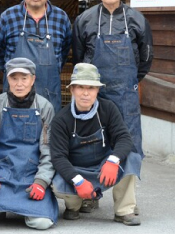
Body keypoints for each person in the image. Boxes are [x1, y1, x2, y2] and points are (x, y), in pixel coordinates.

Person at [72, 0, 154, 217]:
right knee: (89, 144)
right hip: (93, 95)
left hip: (125, 96)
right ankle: (89, 196)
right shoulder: (84, 19)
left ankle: (125, 203)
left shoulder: (137, 20)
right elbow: (78, 57)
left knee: (126, 146)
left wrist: (130, 81)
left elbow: (146, 56)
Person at [50, 63, 141, 225]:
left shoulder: (108, 109)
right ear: (72, 90)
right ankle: (74, 206)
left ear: (98, 90)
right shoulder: (61, 120)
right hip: (77, 169)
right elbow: (58, 157)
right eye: (80, 87)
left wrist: (113, 160)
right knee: (56, 183)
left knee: (132, 157)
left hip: (103, 167)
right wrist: (78, 180)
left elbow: (124, 139)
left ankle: (123, 210)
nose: (86, 93)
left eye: (91, 88)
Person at [0, 57, 58, 230]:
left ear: (33, 79)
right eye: (14, 78)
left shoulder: (45, 107)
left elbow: (49, 151)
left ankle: (19, 206)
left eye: (24, 78)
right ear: (8, 79)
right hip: (3, 174)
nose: (19, 84)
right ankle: (4, 206)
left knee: (42, 223)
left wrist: (42, 181)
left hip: (31, 176)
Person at [0, 0, 72, 113]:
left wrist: (55, 67)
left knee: (48, 133)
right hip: (15, 93)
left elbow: (65, 48)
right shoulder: (8, 16)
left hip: (49, 92)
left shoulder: (61, 17)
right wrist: (10, 70)